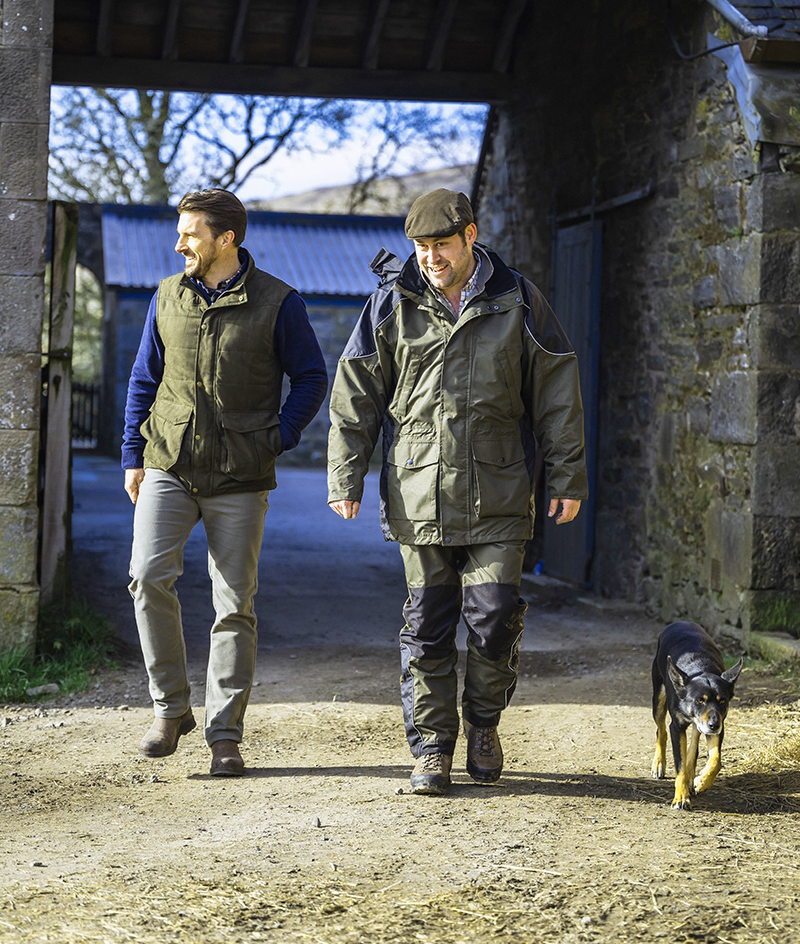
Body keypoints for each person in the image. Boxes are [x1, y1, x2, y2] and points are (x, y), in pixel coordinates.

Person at [327, 189, 587, 795]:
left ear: (470, 236)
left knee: (494, 619)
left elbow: (556, 388)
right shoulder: (391, 302)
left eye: (441, 244)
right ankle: (432, 750)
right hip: (418, 493)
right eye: (420, 246)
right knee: (427, 626)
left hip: (499, 489)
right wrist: (346, 474)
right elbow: (356, 390)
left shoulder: (518, 299)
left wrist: (568, 474)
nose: (430, 257)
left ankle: (483, 725)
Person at [122, 188, 328, 777]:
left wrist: (277, 437)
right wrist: (133, 454)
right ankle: (170, 709)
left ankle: (224, 733)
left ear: (226, 239)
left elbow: (311, 377)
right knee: (146, 579)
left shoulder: (279, 303)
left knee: (234, 604)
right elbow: (144, 379)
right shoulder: (167, 296)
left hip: (241, 474)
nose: (180, 243)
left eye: (190, 233)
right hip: (169, 462)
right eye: (180, 232)